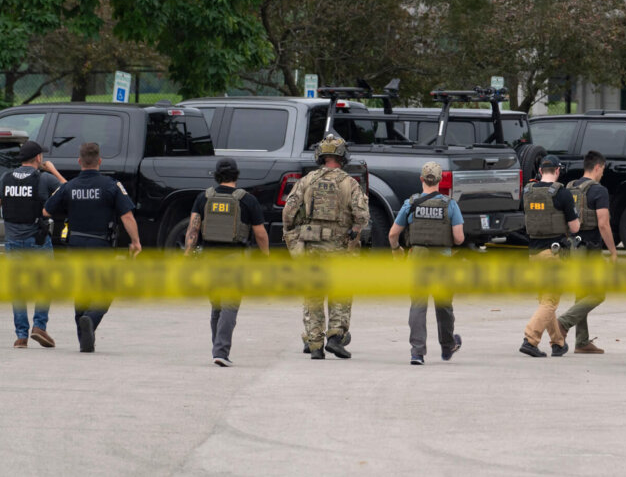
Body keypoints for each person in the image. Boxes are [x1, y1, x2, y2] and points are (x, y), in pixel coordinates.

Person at [43, 142, 141, 353]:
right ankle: (91, 319)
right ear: (100, 161)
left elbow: (46, 211)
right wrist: (135, 242)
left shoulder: (69, 187)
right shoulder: (111, 185)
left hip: (75, 244)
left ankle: (84, 339)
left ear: (79, 162)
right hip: (101, 245)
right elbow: (127, 216)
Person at [282, 135, 369, 360]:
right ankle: (335, 337)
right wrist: (354, 234)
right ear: (343, 157)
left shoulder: (306, 181)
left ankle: (314, 345)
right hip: (339, 248)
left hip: (310, 247)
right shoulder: (350, 183)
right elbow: (362, 216)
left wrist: (293, 236)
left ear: (320, 155)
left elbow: (288, 212)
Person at [183, 157, 270, 367]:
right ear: (236, 175)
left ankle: (217, 348)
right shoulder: (247, 200)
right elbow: (259, 233)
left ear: (216, 175)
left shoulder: (203, 197)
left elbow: (193, 229)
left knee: (217, 306)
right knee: (230, 305)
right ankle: (220, 351)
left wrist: (187, 254)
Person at [0, 140, 66, 349]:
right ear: (38, 158)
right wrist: (55, 171)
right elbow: (68, 192)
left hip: (13, 243)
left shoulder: (4, 178)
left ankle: (21, 336)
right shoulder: (45, 179)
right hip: (38, 242)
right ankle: (39, 326)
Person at [387, 161, 465, 366]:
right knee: (444, 305)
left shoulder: (410, 203)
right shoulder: (450, 205)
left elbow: (393, 234)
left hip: (418, 258)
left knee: (418, 305)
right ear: (440, 180)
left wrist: (397, 250)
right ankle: (448, 346)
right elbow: (459, 238)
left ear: (421, 179)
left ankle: (417, 353)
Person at [557, 150, 619, 354]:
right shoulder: (599, 191)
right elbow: (603, 224)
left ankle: (582, 341)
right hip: (590, 250)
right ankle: (563, 323)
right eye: (603, 170)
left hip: (572, 248)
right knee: (598, 293)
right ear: (598, 167)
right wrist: (613, 252)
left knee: (582, 294)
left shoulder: (569, 187)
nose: (602, 174)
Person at [519, 154, 580, 358]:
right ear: (557, 171)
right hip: (553, 254)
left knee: (546, 300)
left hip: (533, 254)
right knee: (551, 300)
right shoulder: (561, 194)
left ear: (540, 171)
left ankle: (558, 343)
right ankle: (530, 339)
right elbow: (575, 226)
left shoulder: (527, 192)